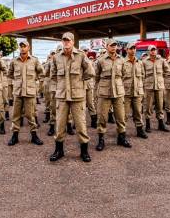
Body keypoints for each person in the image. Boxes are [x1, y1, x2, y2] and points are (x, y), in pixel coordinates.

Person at [49, 32, 95, 162]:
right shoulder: (56, 57)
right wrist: (62, 85)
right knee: (60, 125)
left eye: (68, 40)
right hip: (62, 96)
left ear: (73, 41)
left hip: (77, 96)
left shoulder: (80, 55)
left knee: (81, 125)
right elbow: (53, 75)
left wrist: (80, 81)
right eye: (64, 40)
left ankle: (84, 151)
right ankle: (59, 150)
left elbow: (90, 72)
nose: (66, 42)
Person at [94, 38, 131, 151]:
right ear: (107, 47)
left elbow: (124, 74)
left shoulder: (122, 60)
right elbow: (96, 76)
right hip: (104, 92)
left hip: (118, 92)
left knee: (120, 117)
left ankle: (121, 138)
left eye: (115, 45)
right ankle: (101, 140)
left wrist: (117, 83)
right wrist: (98, 90)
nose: (114, 47)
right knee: (102, 117)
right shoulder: (101, 60)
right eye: (111, 45)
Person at [7, 40, 44, 146]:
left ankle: (34, 136)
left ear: (29, 48)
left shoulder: (34, 60)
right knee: (16, 115)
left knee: (30, 115)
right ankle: (15, 136)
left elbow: (42, 73)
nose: (22, 48)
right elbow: (10, 74)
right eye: (21, 46)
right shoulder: (14, 61)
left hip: (29, 92)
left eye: (25, 46)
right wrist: (18, 81)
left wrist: (34, 81)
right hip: (18, 92)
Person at [142, 45, 170, 133]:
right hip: (149, 86)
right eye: (151, 50)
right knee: (148, 106)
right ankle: (148, 124)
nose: (153, 51)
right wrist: (145, 82)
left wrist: (161, 78)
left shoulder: (161, 60)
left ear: (156, 51)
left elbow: (167, 70)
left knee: (160, 105)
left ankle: (161, 124)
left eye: (154, 50)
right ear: (148, 52)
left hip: (159, 86)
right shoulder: (144, 62)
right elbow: (142, 74)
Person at [123, 42, 147, 138]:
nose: (133, 50)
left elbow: (143, 77)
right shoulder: (122, 62)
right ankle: (122, 132)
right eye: (131, 48)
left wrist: (142, 89)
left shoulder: (140, 63)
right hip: (126, 92)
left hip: (137, 92)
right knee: (123, 115)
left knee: (138, 112)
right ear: (127, 50)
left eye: (134, 48)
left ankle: (140, 130)